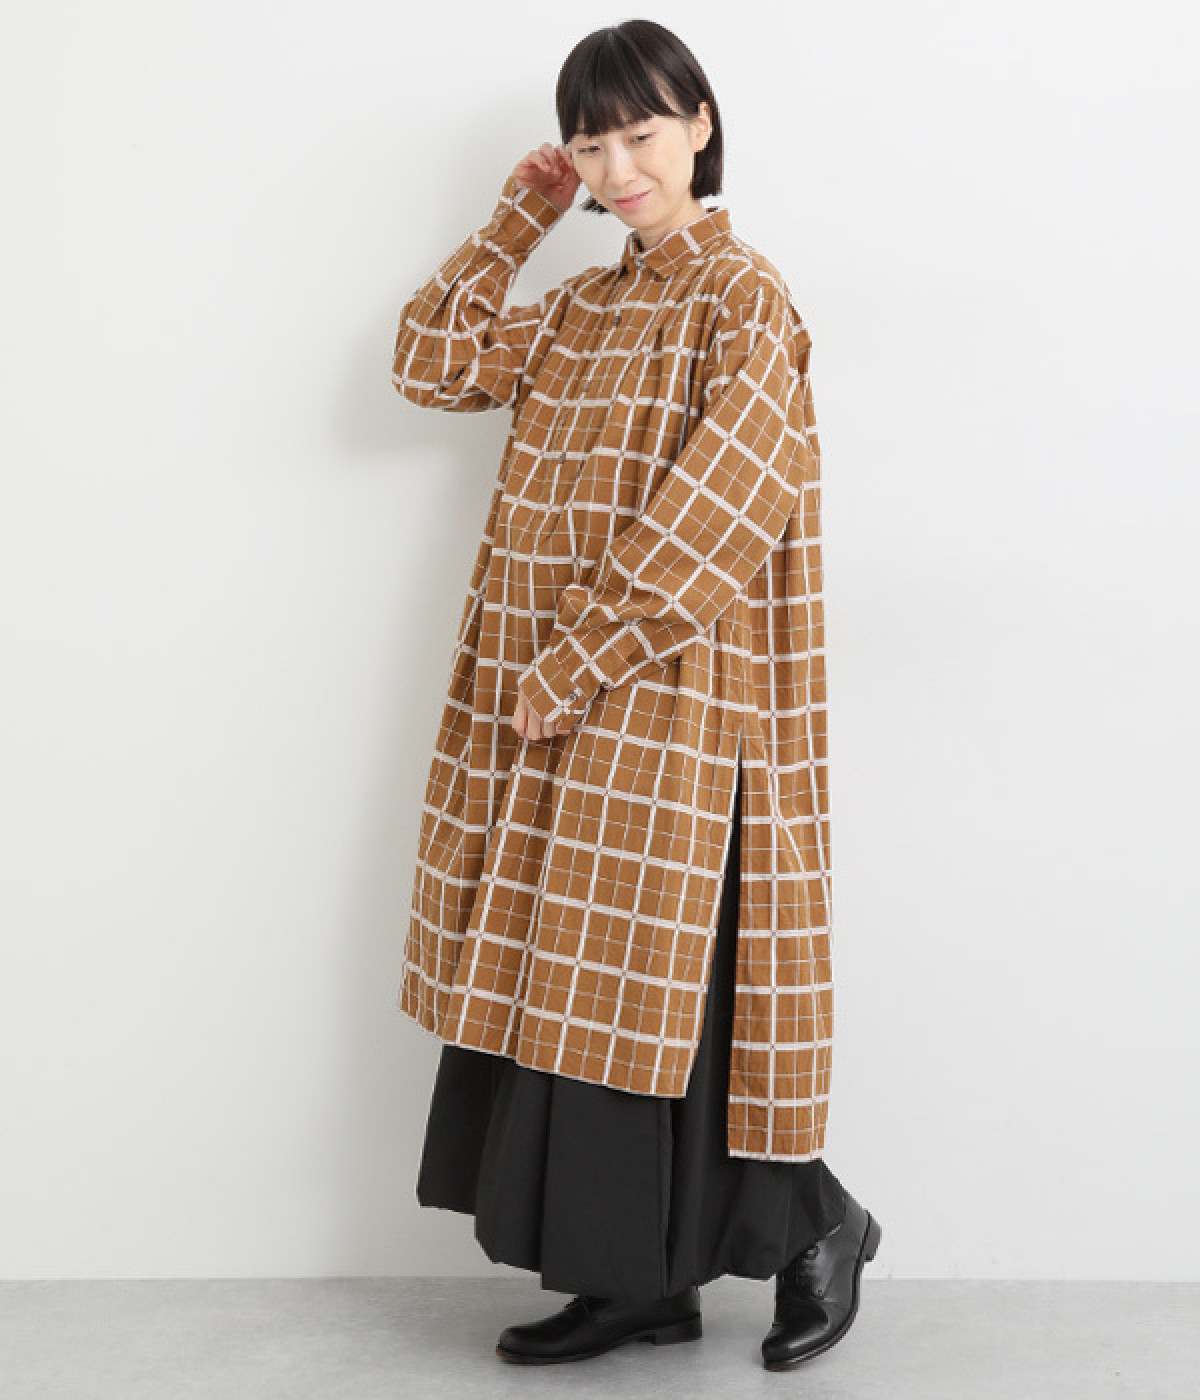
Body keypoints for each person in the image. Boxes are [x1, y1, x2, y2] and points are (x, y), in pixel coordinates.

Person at [390, 19, 881, 1371]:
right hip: (557, 716)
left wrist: (574, 660)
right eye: (592, 143)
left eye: (642, 134)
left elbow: (720, 516)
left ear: (701, 126)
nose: (618, 167)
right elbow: (428, 361)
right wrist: (519, 217)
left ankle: (824, 1228)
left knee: (676, 1005)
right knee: (576, 1001)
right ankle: (638, 1288)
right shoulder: (584, 310)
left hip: (675, 709)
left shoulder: (745, 299)